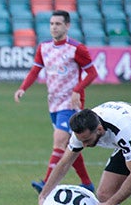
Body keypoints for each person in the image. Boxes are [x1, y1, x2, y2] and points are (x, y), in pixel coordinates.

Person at [15, 10, 96, 193]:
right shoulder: (44, 47)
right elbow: (35, 70)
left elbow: (92, 73)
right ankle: (87, 184)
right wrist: (23, 88)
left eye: (58, 24)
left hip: (70, 103)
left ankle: (47, 183)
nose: (54, 27)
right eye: (51, 24)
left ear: (67, 26)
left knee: (59, 142)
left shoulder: (77, 49)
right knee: (70, 144)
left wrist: (77, 89)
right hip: (53, 102)